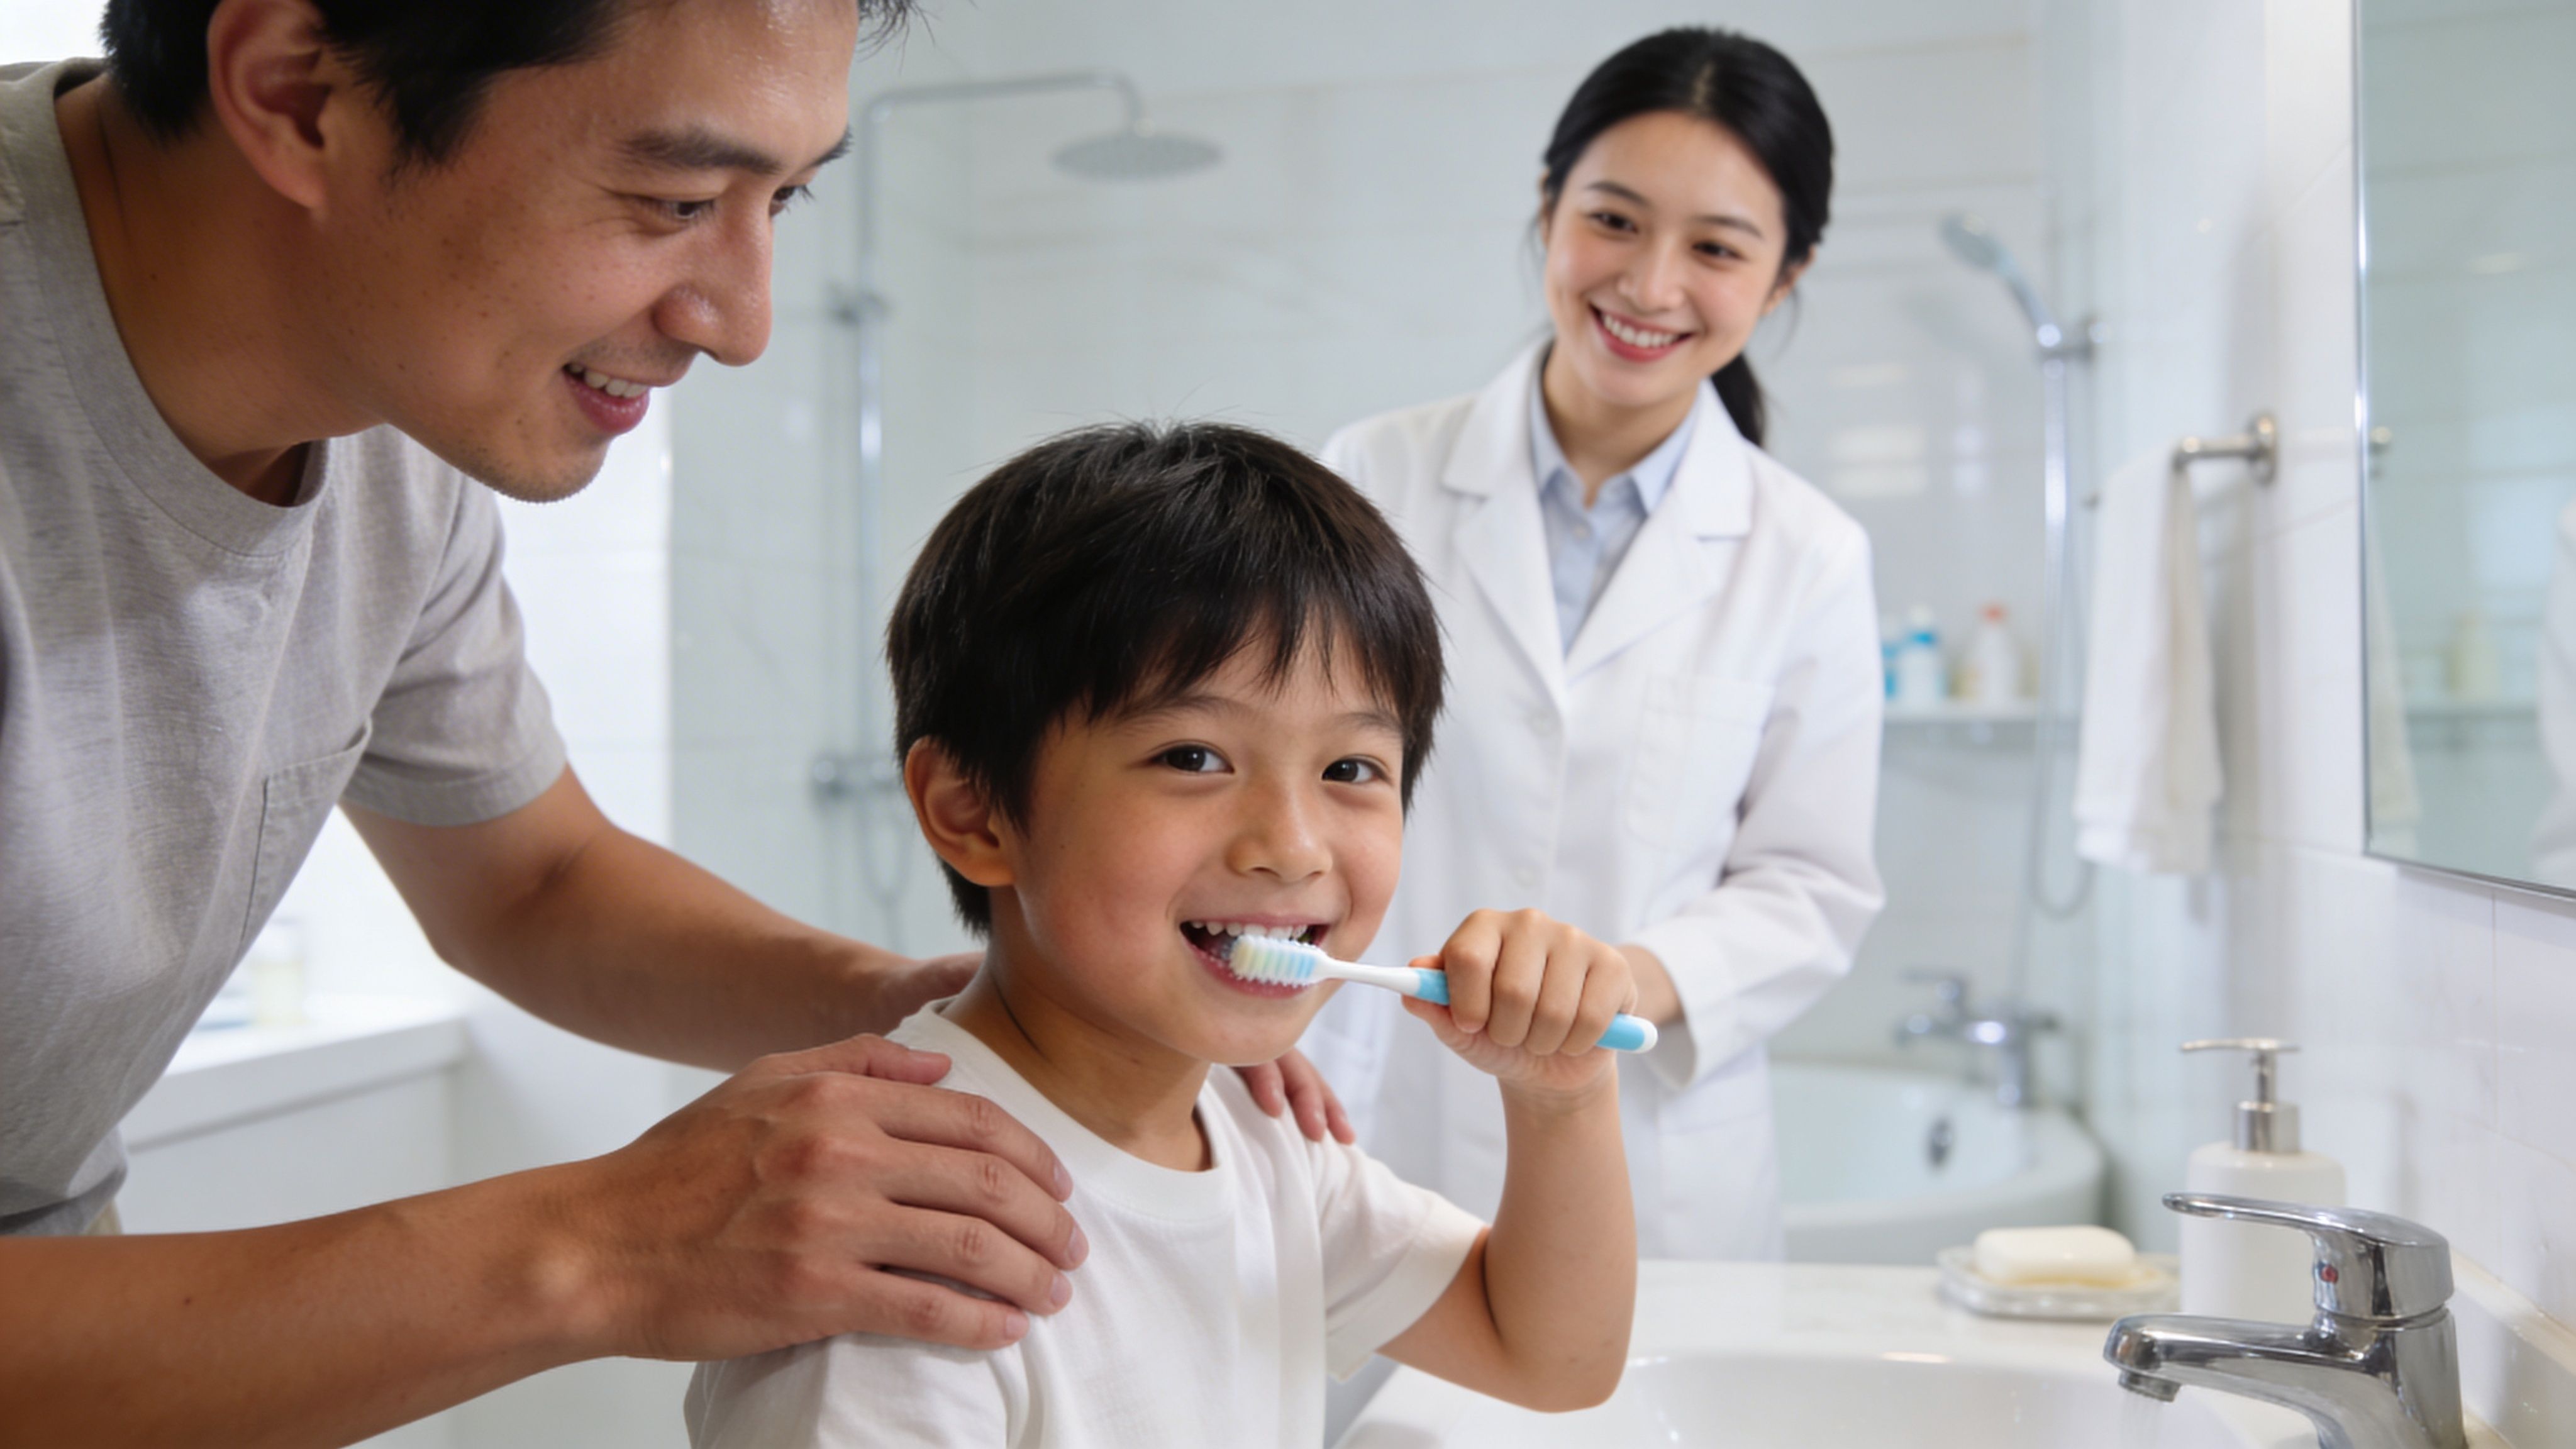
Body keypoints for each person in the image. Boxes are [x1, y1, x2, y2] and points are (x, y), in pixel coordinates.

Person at [0, 3, 1340, 1442]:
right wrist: (598, 1245)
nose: (744, 321)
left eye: (785, 200)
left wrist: (978, 1019)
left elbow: (534, 883)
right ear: (300, 95)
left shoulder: (393, 417)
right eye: (676, 202)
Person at [686, 421, 1639, 1446]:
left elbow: (1550, 1356)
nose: (1294, 844)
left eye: (1352, 769)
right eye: (1193, 755)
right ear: (974, 812)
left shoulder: (1255, 1138)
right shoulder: (888, 1218)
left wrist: (1562, 1098)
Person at [1309, 26, 1886, 1261]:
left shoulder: (1806, 554)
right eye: (1613, 221)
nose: (1649, 284)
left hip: (1655, 1152)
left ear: (1782, 278)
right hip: (1377, 1111)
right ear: (1546, 207)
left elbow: (1809, 890)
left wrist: (1608, 983)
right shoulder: (1370, 476)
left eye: (1717, 249)